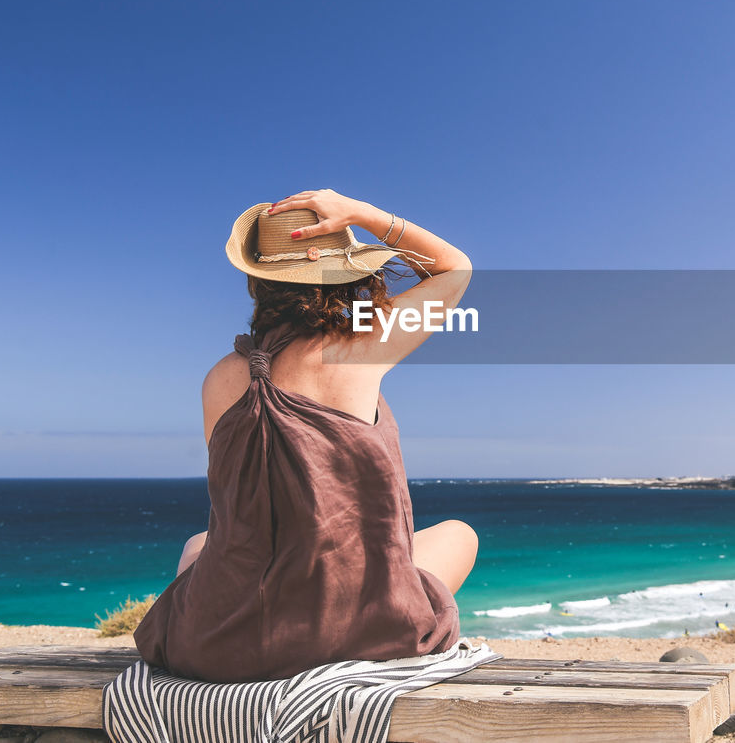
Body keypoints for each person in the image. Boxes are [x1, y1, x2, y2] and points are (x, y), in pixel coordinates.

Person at [133, 189, 477, 683]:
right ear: (349, 271)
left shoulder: (221, 377)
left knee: (199, 542)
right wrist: (362, 213)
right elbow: (454, 269)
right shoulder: (363, 342)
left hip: (219, 642)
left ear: (258, 282)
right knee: (459, 536)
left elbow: (248, 507)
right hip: (361, 631)